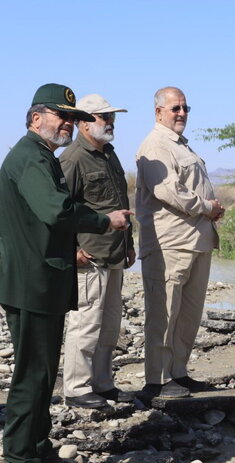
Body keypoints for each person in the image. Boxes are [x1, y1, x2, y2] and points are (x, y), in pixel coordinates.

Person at [0, 83, 132, 463]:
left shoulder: (40, 155)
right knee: (31, 376)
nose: (68, 125)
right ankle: (21, 456)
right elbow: (56, 210)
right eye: (62, 117)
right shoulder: (31, 157)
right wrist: (104, 221)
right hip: (33, 283)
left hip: (41, 281)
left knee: (41, 374)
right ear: (35, 117)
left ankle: (38, 448)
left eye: (73, 119)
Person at [136, 87, 224, 399]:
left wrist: (208, 211)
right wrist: (207, 207)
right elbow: (168, 191)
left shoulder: (181, 145)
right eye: (175, 108)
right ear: (158, 112)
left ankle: (179, 373)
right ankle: (157, 381)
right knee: (164, 313)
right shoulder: (156, 144)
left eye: (186, 108)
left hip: (197, 241)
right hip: (169, 243)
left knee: (188, 315)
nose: (182, 113)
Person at [59, 93, 135, 409]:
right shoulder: (73, 158)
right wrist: (71, 250)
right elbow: (60, 210)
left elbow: (120, 204)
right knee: (85, 324)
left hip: (114, 254)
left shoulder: (109, 154)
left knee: (109, 325)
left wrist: (129, 245)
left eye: (111, 116)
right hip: (89, 256)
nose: (109, 121)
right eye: (103, 116)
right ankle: (77, 388)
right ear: (84, 122)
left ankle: (102, 383)